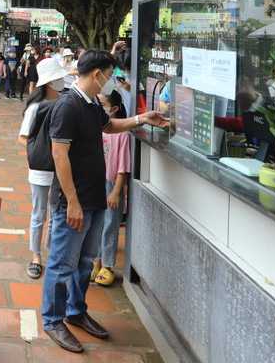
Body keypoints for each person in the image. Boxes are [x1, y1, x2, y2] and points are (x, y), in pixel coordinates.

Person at [41, 49, 168, 353]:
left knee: (85, 262)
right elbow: (59, 155)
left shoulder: (91, 104)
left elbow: (108, 127)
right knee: (61, 264)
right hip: (74, 201)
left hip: (95, 199)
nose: (113, 81)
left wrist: (140, 119)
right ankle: (53, 319)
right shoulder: (67, 106)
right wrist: (71, 201)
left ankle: (76, 310)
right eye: (111, 75)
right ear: (97, 74)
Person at [18, 60, 69, 280]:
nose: (62, 81)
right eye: (58, 78)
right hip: (41, 170)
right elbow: (22, 138)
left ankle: (51, 251)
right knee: (39, 213)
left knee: (57, 212)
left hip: (61, 169)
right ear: (49, 82)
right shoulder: (35, 107)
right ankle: (36, 256)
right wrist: (44, 150)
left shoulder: (64, 102)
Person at [92, 90, 131, 288]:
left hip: (112, 184)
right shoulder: (95, 127)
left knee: (110, 225)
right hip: (96, 181)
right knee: (97, 224)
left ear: (113, 109)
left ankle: (108, 265)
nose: (98, 106)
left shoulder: (122, 133)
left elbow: (123, 166)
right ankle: (96, 262)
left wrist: (117, 191)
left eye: (102, 103)